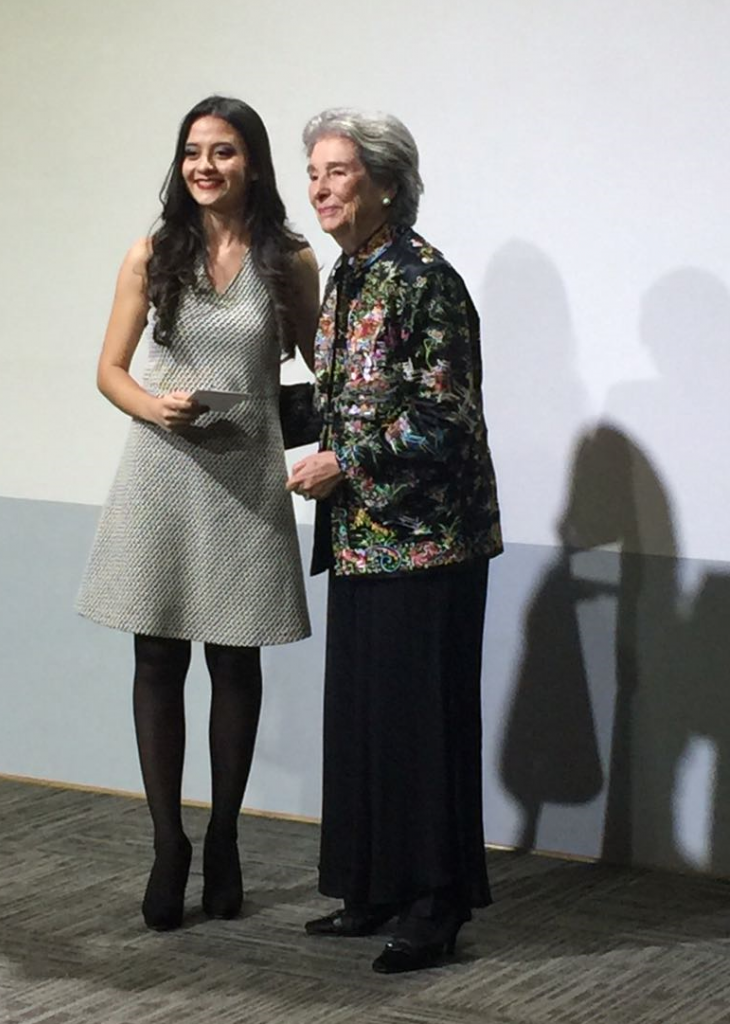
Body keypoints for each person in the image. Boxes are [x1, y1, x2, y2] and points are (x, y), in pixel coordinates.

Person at [77, 96, 319, 932]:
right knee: (156, 657)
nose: (204, 166)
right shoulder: (152, 253)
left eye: (222, 151)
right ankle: (166, 844)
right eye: (192, 152)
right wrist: (154, 407)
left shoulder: (289, 260)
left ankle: (223, 838)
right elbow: (110, 370)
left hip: (245, 477)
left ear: (252, 162)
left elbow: (324, 367)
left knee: (236, 659)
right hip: (162, 471)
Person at [287, 108, 502, 974]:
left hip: (428, 543)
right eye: (313, 171)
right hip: (361, 539)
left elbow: (446, 416)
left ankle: (435, 905)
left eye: (337, 171)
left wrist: (346, 462)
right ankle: (371, 888)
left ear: (384, 182)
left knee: (422, 730)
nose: (319, 187)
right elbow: (345, 400)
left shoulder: (425, 279)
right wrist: (233, 410)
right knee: (367, 722)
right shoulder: (347, 276)